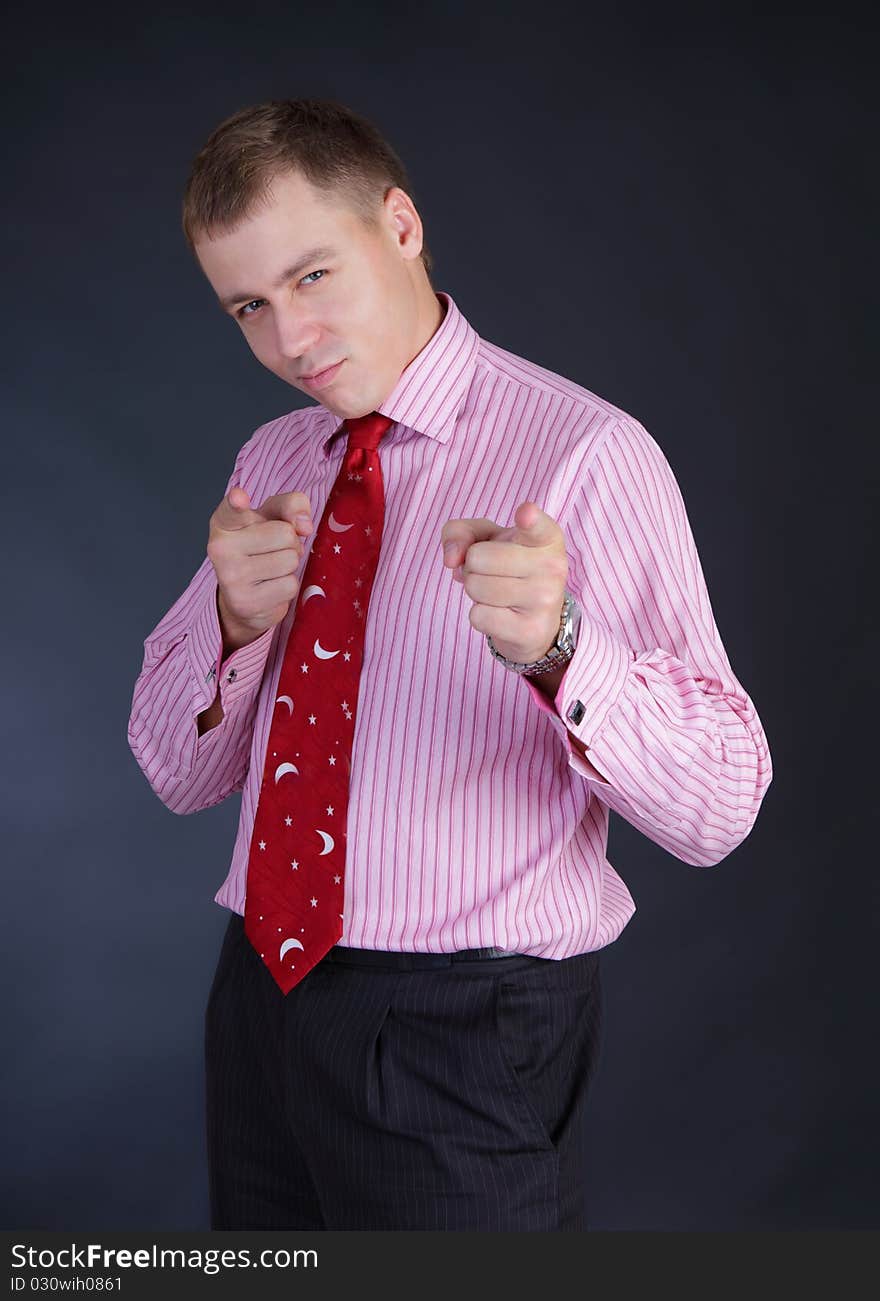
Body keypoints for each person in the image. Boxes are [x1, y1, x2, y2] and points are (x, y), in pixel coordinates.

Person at [127, 97, 773, 1231]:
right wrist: (231, 622)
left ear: (402, 223)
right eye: (249, 306)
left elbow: (720, 805)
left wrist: (562, 647)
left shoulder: (583, 451)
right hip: (262, 993)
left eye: (313, 275)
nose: (290, 339)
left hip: (458, 1026)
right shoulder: (273, 459)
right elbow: (177, 776)